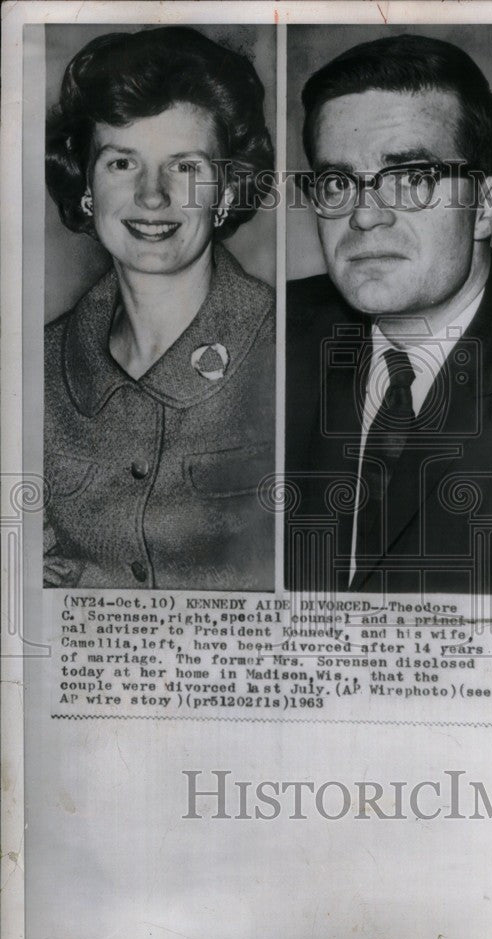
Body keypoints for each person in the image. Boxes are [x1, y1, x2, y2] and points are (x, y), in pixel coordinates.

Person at [285, 33, 492, 595]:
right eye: (338, 182)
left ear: (485, 205)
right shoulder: (273, 334)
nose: (365, 216)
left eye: (412, 179)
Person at [44, 26, 276, 589]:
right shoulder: (40, 366)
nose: (152, 196)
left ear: (224, 191)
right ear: (87, 187)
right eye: (122, 164)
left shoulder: (288, 346)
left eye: (185, 166)